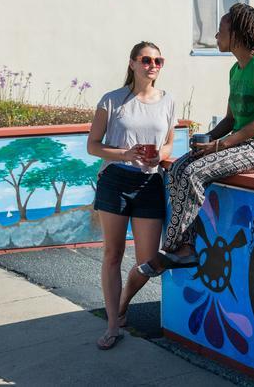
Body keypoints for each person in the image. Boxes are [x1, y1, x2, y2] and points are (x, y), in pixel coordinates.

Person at [138, 3, 254, 277]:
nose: (216, 36)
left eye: (221, 31)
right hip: (240, 144)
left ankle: (178, 248)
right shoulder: (235, 71)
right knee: (180, 167)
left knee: (194, 172)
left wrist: (219, 145)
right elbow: (230, 120)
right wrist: (207, 139)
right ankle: (180, 246)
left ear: (238, 34)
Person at [87, 41, 176, 350]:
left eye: (158, 61)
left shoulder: (167, 101)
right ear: (133, 63)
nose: (153, 65)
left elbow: (168, 145)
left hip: (150, 183)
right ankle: (113, 325)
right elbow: (93, 146)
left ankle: (123, 302)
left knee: (150, 262)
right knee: (113, 254)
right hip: (115, 180)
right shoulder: (112, 101)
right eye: (146, 59)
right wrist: (125, 154)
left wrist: (159, 157)